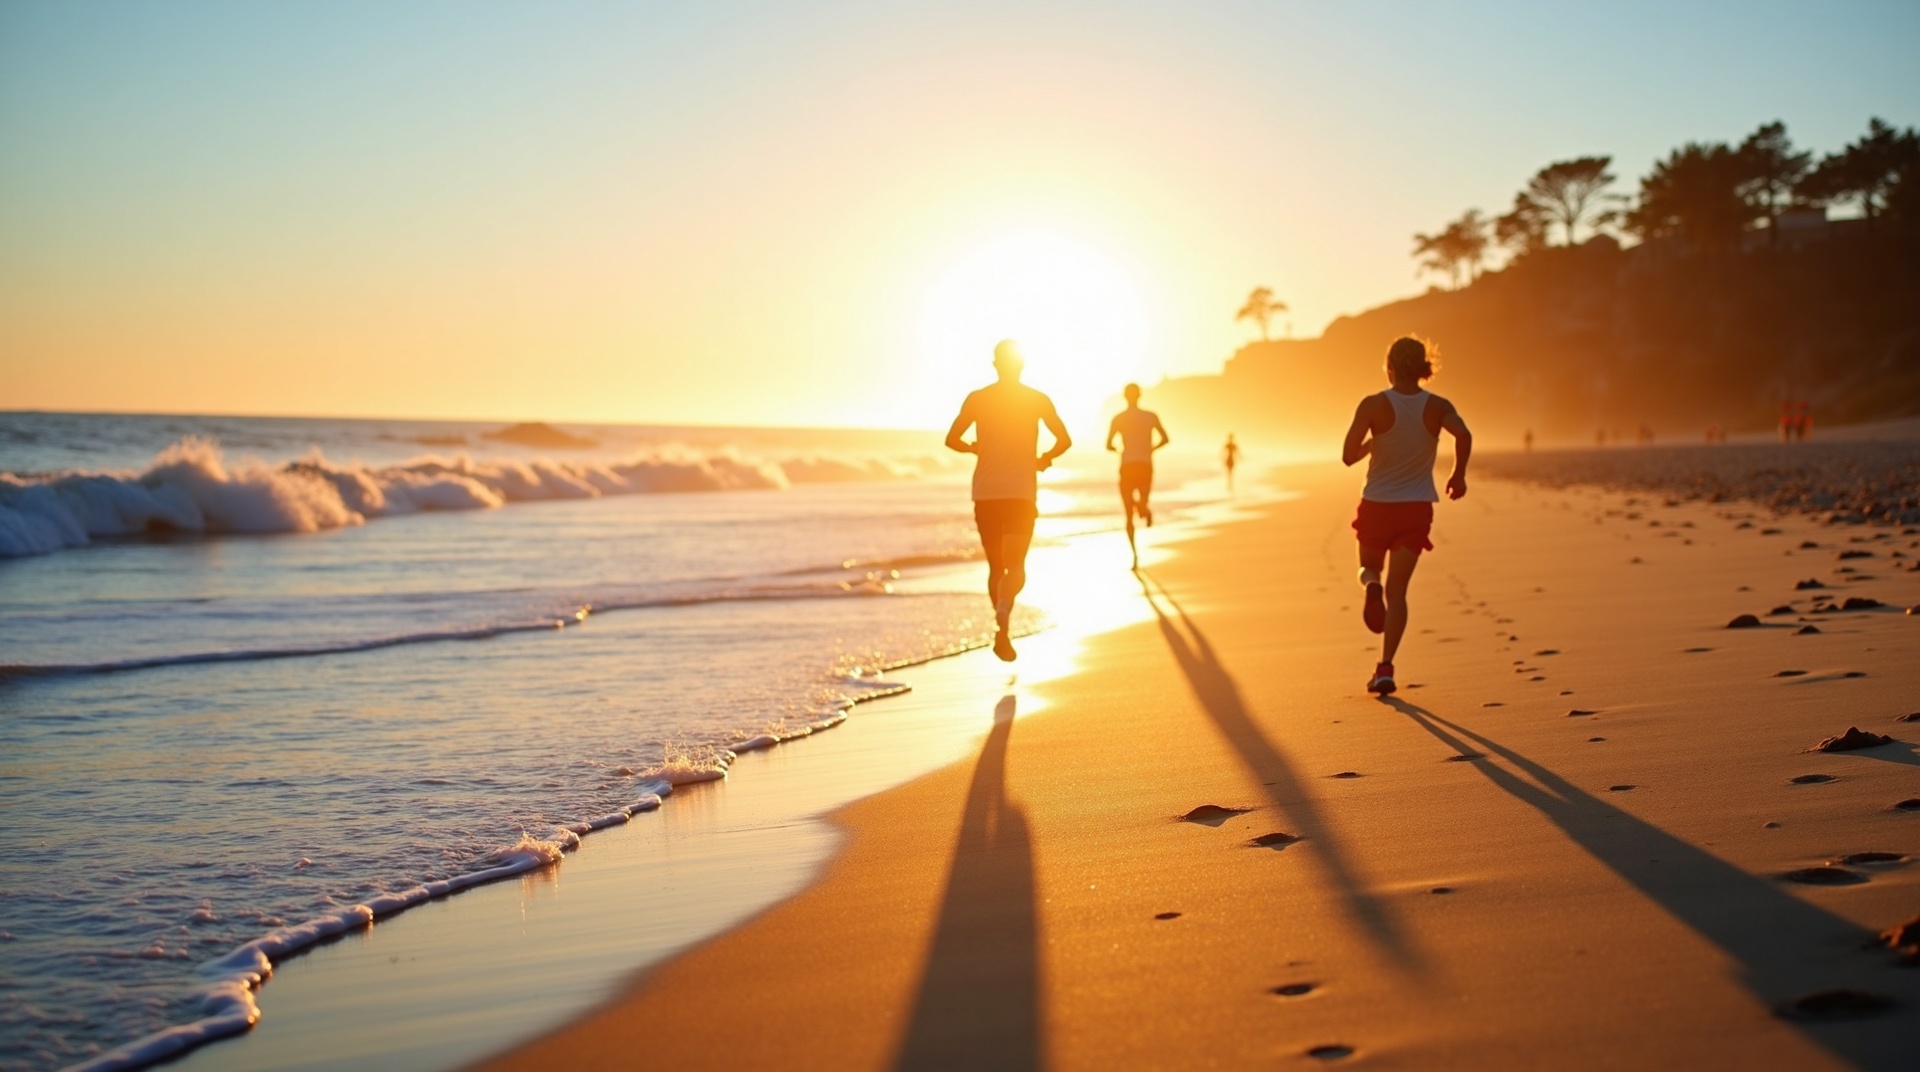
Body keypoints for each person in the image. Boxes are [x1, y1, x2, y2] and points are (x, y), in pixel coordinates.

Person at [1340, 335, 1472, 696]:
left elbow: (1348, 456)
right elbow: (1464, 434)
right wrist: (1458, 475)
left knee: (1369, 568)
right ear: (1423, 368)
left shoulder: (1372, 405)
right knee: (1399, 594)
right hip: (1416, 509)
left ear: (1390, 367)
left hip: (1377, 505)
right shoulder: (1439, 406)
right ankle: (1385, 668)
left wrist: (1373, 443)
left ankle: (1371, 586)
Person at [946, 340, 1071, 661]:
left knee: (995, 567)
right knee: (1016, 567)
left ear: (995, 364)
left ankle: (1001, 628)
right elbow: (1064, 440)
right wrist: (1043, 458)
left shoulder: (977, 399)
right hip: (1020, 492)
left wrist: (976, 448)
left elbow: (951, 439)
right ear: (1022, 365)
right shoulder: (1036, 399)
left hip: (986, 493)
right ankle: (1004, 614)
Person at [1105, 383, 1169, 568]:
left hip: (1127, 466)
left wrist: (1118, 449)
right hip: (1145, 465)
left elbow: (1108, 445)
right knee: (1142, 503)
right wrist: (1151, 449)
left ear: (1125, 396)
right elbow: (1165, 438)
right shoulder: (1150, 416)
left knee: (1128, 514)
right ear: (1139, 396)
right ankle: (1143, 508)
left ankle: (1135, 555)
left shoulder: (1118, 418)